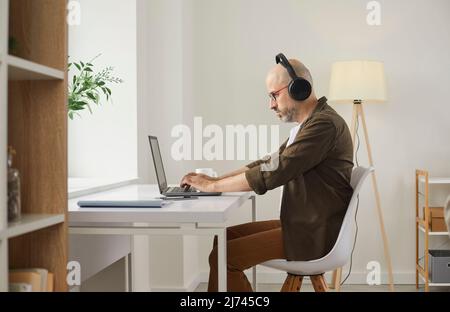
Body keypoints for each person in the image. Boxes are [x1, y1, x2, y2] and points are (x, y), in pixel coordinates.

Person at [180, 54, 354, 292]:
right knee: (224, 240)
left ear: (299, 88)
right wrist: (216, 180)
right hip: (305, 225)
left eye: (274, 95)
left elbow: (274, 173)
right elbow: (268, 162)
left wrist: (211, 188)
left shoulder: (324, 125)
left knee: (224, 257)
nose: (271, 104)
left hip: (315, 234)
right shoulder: (310, 125)